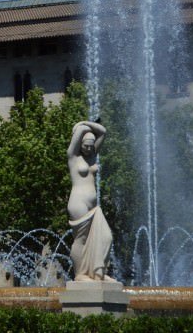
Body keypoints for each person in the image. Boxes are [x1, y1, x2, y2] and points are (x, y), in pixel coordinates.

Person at [66, 120, 115, 282]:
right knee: (81, 238)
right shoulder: (73, 157)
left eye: (91, 145)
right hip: (78, 203)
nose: (88, 148)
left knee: (106, 237)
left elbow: (103, 131)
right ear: (80, 143)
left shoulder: (93, 155)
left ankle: (98, 273)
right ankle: (80, 274)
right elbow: (78, 133)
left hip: (94, 207)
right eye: (86, 145)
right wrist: (80, 127)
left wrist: (84, 122)